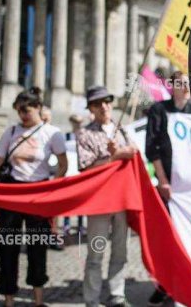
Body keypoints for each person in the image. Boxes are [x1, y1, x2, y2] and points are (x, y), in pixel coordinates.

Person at [0, 87, 67, 307]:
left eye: (27, 110)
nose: (23, 114)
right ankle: (8, 299)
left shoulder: (51, 133)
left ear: (38, 108)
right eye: (20, 110)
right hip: (12, 193)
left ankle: (38, 299)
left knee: (37, 247)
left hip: (38, 193)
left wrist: (52, 187)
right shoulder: (11, 131)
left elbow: (63, 164)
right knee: (8, 248)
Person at [77, 86, 138, 307]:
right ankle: (91, 300)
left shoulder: (121, 129)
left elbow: (134, 155)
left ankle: (117, 294)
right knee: (96, 252)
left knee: (120, 250)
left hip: (122, 199)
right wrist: (113, 157)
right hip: (100, 201)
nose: (104, 106)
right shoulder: (85, 134)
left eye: (107, 101)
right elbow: (85, 167)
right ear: (91, 108)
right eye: (97, 103)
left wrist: (127, 151)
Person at [144, 71, 191, 306]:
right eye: (181, 84)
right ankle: (163, 285)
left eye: (188, 84)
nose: (185, 87)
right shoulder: (158, 110)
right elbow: (152, 148)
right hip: (168, 185)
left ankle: (187, 283)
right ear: (172, 86)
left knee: (188, 237)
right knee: (167, 238)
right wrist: (162, 180)